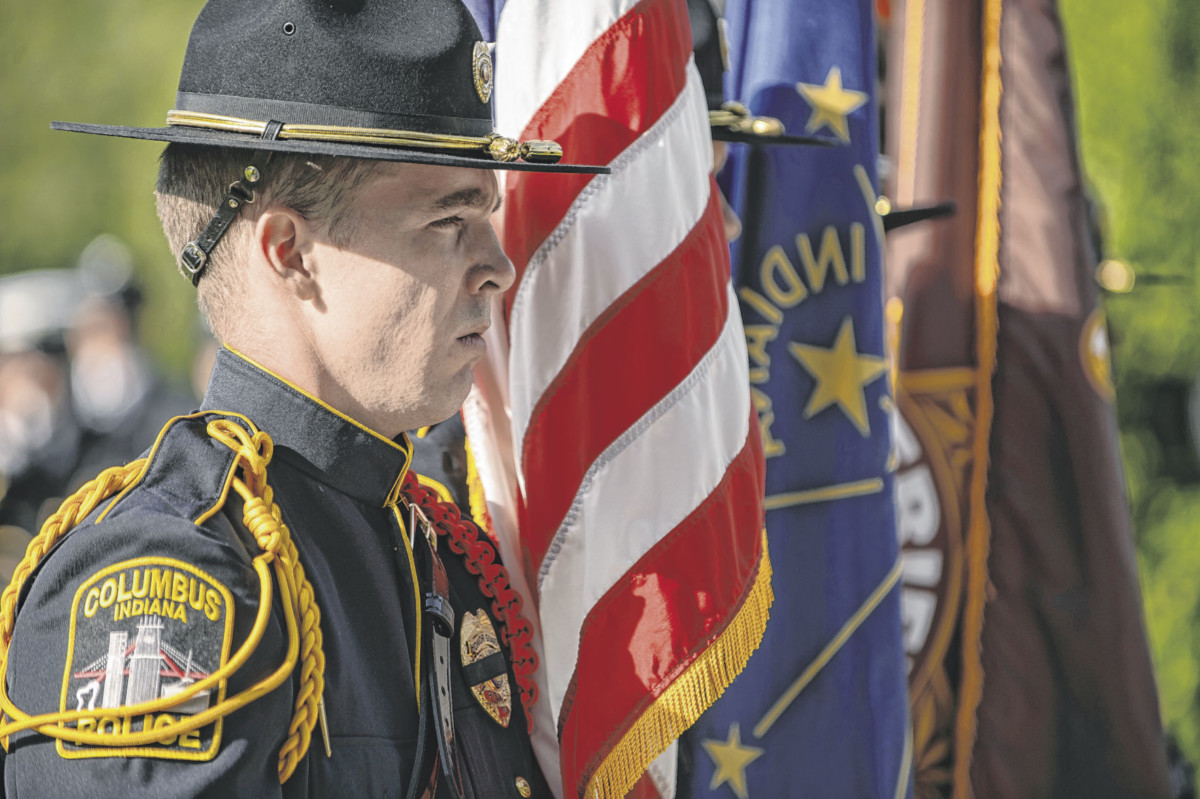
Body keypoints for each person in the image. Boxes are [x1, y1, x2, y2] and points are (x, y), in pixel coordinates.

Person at [0, 0, 604, 796]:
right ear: (291, 252)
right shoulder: (175, 580)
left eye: (483, 214)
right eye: (448, 218)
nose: (498, 265)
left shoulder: (431, 542)